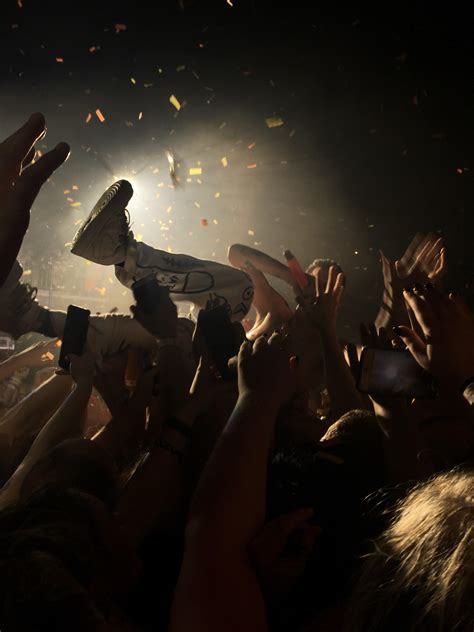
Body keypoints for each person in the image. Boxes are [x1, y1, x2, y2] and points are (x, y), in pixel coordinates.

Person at [71, 179, 254, 321]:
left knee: (241, 284)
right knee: (230, 284)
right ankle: (120, 256)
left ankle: (117, 252)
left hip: (215, 326)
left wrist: (284, 275)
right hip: (212, 324)